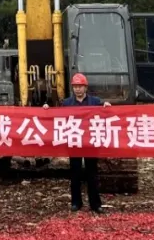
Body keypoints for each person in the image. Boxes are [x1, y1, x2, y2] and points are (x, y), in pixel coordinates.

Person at [44, 72, 110, 213]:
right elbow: (57, 116)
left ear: (85, 87)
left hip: (90, 142)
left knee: (92, 173)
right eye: (75, 86)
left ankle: (95, 204)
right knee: (75, 173)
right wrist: (47, 110)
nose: (77, 89)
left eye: (80, 86)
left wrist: (106, 106)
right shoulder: (67, 103)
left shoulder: (95, 102)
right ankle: (76, 202)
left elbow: (106, 113)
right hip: (74, 141)